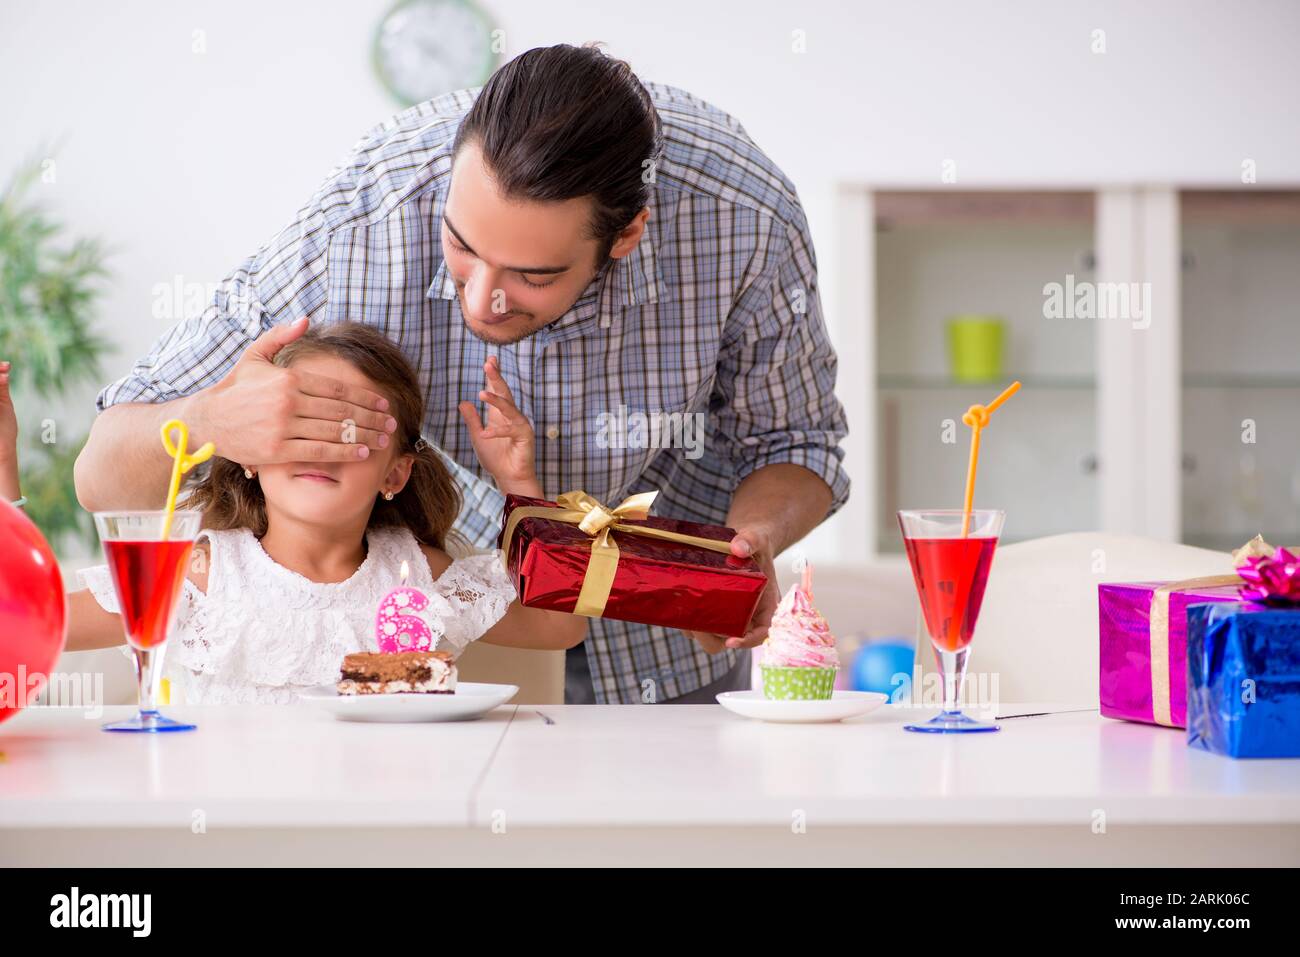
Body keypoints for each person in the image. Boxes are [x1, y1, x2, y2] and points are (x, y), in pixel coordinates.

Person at [73, 44, 849, 704]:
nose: (481, 299)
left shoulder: (744, 220)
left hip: (675, 640)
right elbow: (101, 479)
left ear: (627, 235)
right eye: (460, 244)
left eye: (531, 275)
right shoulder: (363, 221)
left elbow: (798, 441)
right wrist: (210, 422)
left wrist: (751, 542)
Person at [1, 323, 584, 704]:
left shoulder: (417, 575)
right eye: (300, 425)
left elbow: (561, 625)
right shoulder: (200, 573)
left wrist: (517, 481)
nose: (319, 447)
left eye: (349, 432)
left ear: (395, 474)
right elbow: (19, 624)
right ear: (250, 453)